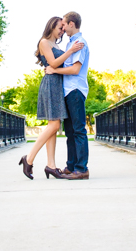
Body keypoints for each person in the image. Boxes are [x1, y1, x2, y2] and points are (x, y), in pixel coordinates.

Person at [19, 16, 85, 180]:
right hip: (50, 84)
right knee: (54, 125)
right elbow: (53, 64)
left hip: (58, 84)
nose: (62, 31)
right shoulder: (44, 42)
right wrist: (70, 51)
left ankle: (51, 165)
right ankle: (29, 158)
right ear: (51, 27)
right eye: (59, 28)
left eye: (63, 28)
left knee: (53, 126)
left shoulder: (55, 44)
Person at [45, 11, 90, 180]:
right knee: (70, 131)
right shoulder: (71, 44)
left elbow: (75, 69)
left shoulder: (79, 43)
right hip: (68, 91)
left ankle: (81, 169)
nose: (62, 28)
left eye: (64, 24)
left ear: (72, 24)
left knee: (78, 130)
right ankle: (71, 166)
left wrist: (54, 70)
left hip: (76, 90)